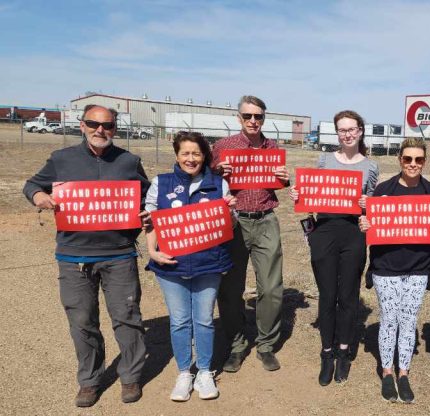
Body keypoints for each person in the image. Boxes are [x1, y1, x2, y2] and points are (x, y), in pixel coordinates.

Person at [23, 104, 150, 407]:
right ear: (82, 126)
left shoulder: (129, 161)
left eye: (106, 125)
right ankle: (90, 380)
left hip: (119, 254)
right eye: (93, 124)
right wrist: (39, 196)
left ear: (115, 129)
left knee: (127, 317)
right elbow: (31, 185)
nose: (100, 130)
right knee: (82, 320)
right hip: (73, 256)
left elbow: (147, 195)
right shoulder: (61, 159)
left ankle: (130, 376)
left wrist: (147, 211)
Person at [145, 132, 237, 401]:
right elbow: (150, 220)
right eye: (185, 153)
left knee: (205, 319)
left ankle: (205, 371)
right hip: (171, 266)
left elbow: (229, 227)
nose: (191, 158)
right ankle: (185, 372)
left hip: (208, 265)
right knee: (180, 320)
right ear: (176, 155)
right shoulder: (160, 183)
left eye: (196, 153)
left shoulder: (219, 184)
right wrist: (153, 251)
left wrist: (229, 212)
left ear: (204, 156)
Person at [290, 110, 379, 386]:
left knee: (348, 297)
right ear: (337, 133)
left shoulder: (371, 166)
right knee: (327, 296)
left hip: (353, 234)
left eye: (352, 129)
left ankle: (343, 351)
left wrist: (368, 205)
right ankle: (326, 353)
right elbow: (314, 192)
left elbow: (373, 206)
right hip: (325, 232)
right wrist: (298, 194)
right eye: (342, 130)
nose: (347, 134)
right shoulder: (325, 160)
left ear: (361, 131)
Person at [358, 138, 430, 403]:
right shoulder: (384, 189)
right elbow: (373, 224)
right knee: (389, 318)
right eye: (408, 159)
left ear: (424, 161)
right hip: (386, 267)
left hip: (418, 267)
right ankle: (386, 371)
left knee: (408, 320)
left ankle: (403, 372)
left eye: (418, 159)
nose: (413, 164)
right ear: (400, 160)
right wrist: (366, 224)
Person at [212, 95, 290, 373]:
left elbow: (278, 184)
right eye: (248, 116)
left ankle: (266, 344)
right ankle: (236, 345)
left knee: (270, 288)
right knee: (231, 289)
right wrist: (217, 171)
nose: (253, 121)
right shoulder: (223, 147)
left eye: (258, 116)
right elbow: (205, 180)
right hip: (233, 222)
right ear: (239, 118)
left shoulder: (273, 148)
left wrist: (284, 179)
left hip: (266, 219)